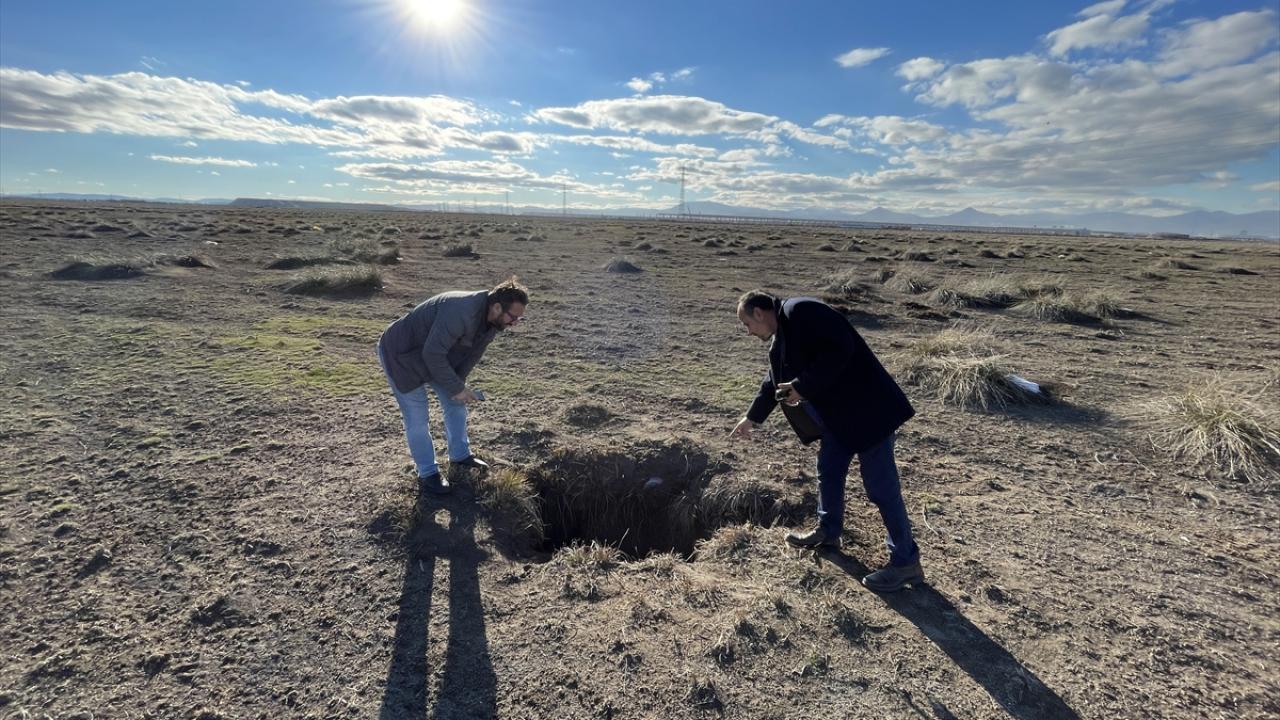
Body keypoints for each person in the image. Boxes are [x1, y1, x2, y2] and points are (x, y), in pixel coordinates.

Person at [729, 290, 924, 592]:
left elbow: (840, 348)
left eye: (747, 324)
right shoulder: (782, 336)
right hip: (839, 420)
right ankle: (828, 531)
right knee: (829, 472)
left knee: (881, 489)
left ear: (759, 313)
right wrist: (751, 418)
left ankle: (905, 562)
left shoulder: (801, 311)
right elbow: (773, 382)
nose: (748, 332)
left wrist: (802, 386)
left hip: (870, 413)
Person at [378, 276, 528, 495]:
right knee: (417, 417)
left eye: (518, 318)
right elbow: (432, 354)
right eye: (513, 317)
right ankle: (428, 474)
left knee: (456, 404)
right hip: (401, 355)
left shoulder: (493, 321)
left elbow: (473, 354)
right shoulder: (460, 311)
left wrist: (458, 386)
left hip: (435, 356)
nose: (515, 323)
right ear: (497, 307)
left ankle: (460, 456)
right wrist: (457, 389)